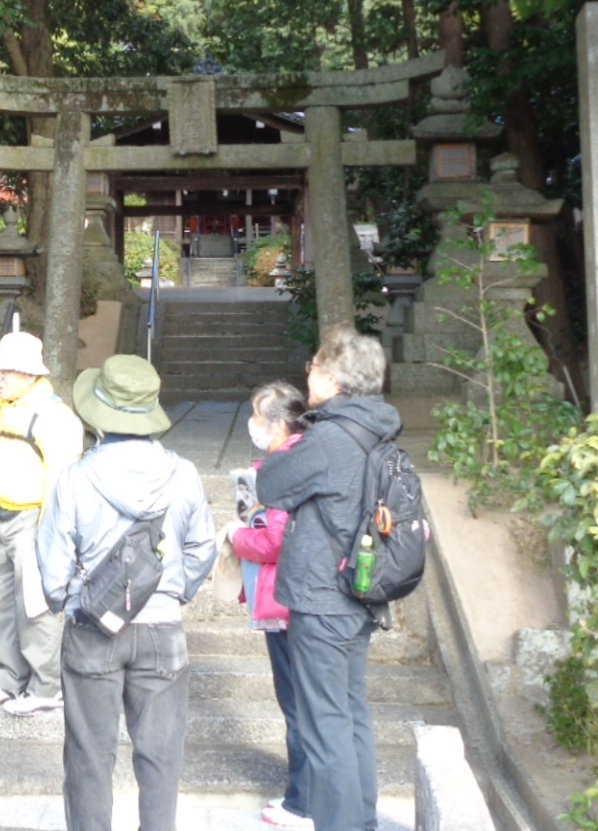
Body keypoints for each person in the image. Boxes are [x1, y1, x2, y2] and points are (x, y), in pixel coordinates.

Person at [37, 354, 216, 831]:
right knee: (161, 758)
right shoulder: (184, 474)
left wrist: (71, 601)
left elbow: (52, 567)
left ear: (100, 414)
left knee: (89, 757)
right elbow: (202, 548)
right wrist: (173, 593)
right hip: (162, 630)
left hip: (93, 627)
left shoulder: (75, 478)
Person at [255, 325, 401, 831]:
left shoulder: (330, 438)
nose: (308, 374)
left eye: (314, 367)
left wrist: (281, 449)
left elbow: (271, 484)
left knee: (324, 726)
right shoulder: (377, 427)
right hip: (358, 592)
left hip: (323, 598)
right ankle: (361, 820)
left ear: (334, 379)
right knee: (352, 714)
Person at [0, 330, 85, 716]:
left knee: (36, 606)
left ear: (31, 375)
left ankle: (46, 687)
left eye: (7, 371)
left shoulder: (56, 416)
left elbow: (62, 482)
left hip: (36, 519)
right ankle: (8, 682)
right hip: (0, 513)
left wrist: (53, 536)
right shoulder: (2, 407)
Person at [226, 380, 311, 831]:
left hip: (289, 601)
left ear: (278, 424)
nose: (252, 425)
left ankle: (303, 802)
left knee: (298, 703)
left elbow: (275, 540)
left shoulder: (286, 465)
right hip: (302, 598)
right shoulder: (303, 455)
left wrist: (235, 536)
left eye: (258, 418)